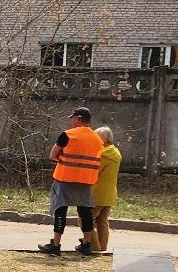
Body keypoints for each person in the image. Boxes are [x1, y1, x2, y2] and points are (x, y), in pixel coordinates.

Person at [41, 107, 103, 255]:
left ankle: (56, 245)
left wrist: (63, 161)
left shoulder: (67, 135)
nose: (71, 120)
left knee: (60, 211)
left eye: (72, 117)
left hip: (65, 178)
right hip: (86, 180)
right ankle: (86, 244)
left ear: (78, 118)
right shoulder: (98, 139)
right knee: (85, 212)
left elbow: (52, 155)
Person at [91, 125, 122, 253]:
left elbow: (94, 172)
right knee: (102, 221)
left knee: (84, 220)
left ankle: (94, 247)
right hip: (110, 193)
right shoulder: (116, 153)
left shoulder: (102, 155)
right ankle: (102, 248)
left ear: (101, 139)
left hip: (98, 193)